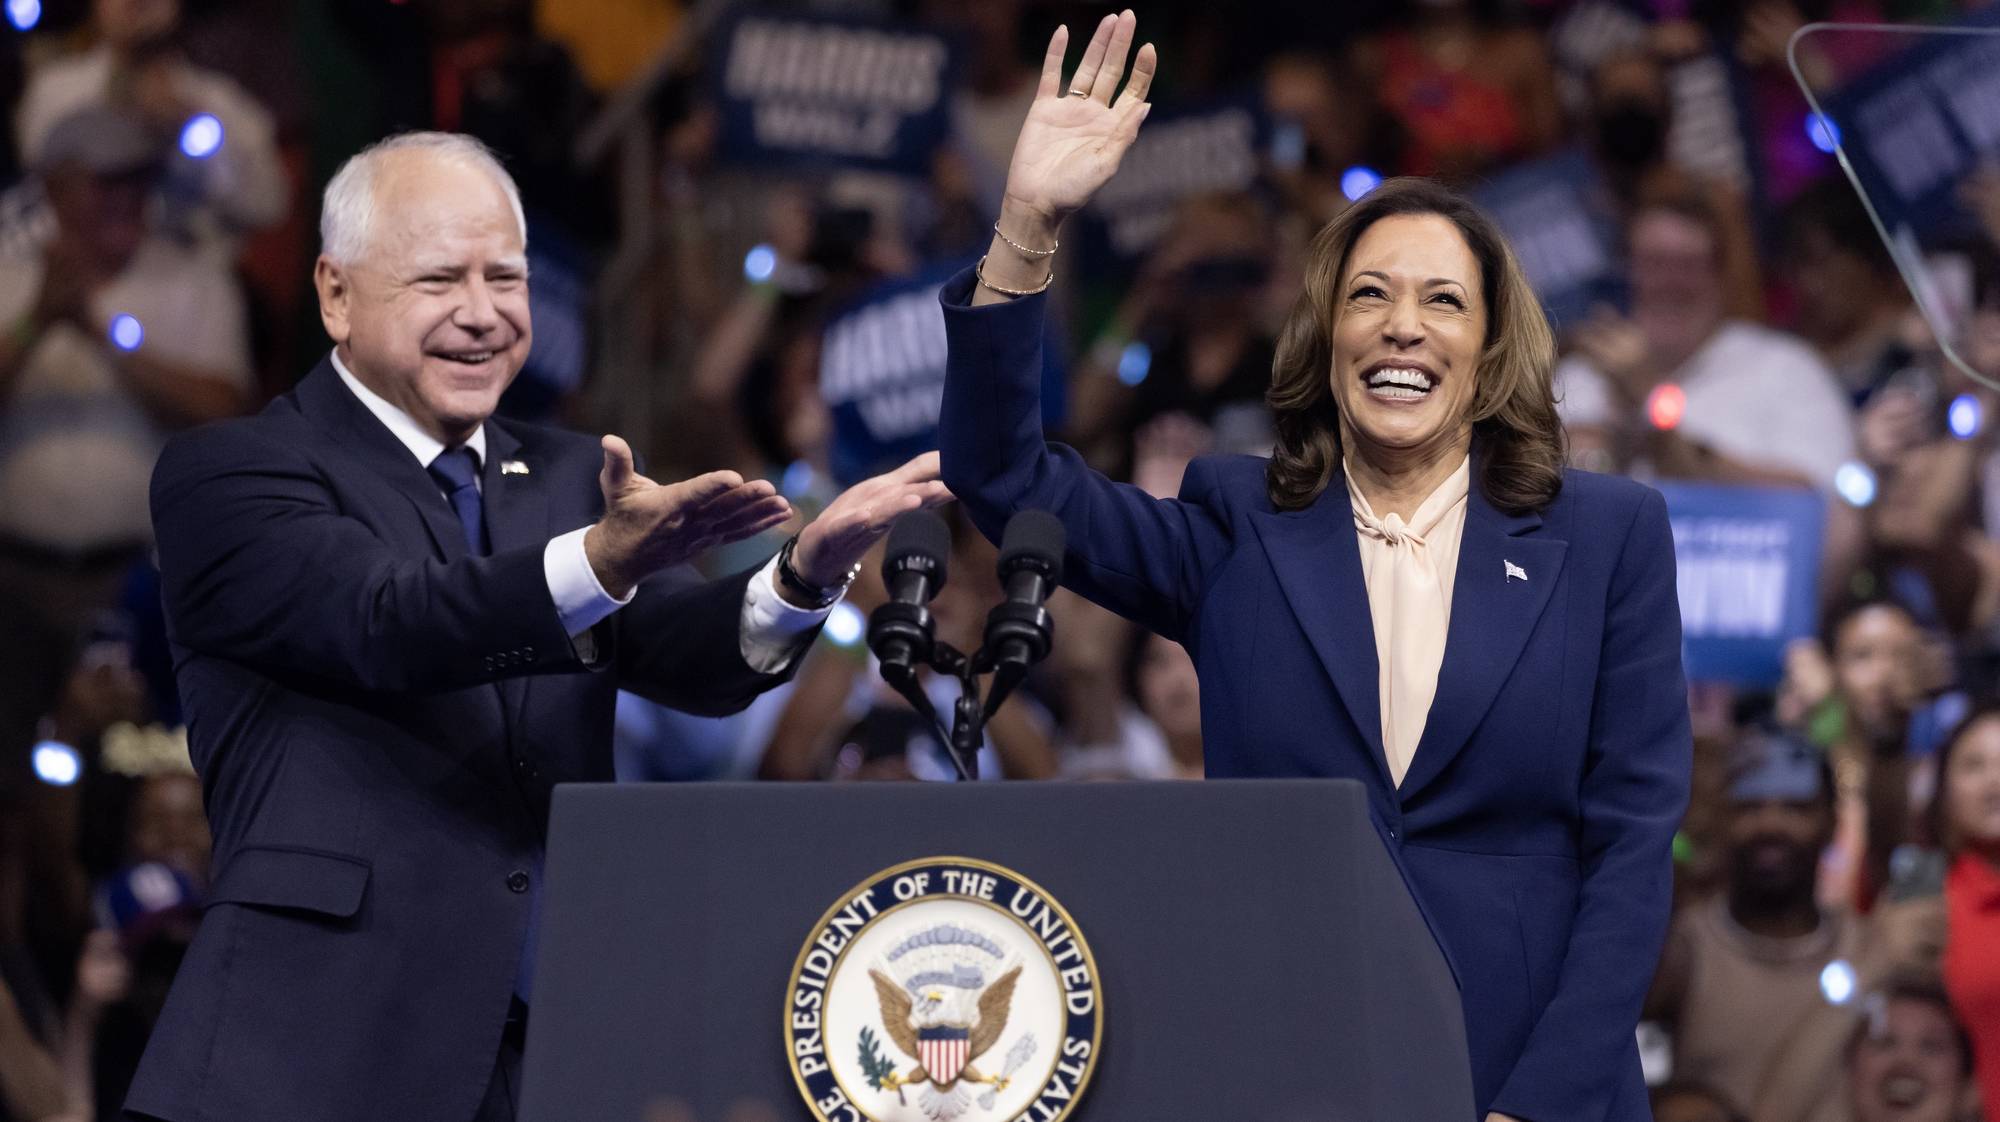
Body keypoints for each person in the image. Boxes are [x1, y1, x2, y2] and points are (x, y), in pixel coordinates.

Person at [938, 13, 1692, 1120]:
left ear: (1489, 352)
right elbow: (1005, 483)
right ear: (1324, 336)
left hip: (1529, 1080)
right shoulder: (1237, 527)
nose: (1401, 328)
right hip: (1288, 1068)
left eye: (1442, 301)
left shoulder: (1606, 535)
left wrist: (1538, 1104)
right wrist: (1024, 227)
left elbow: (1628, 855)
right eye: (1367, 296)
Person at [122, 132, 949, 1122]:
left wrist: (804, 574)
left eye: (503, 277)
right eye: (439, 278)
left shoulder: (561, 475)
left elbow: (690, 659)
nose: (482, 312)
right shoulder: (232, 473)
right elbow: (387, 623)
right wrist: (600, 562)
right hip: (314, 1050)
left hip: (546, 1054)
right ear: (335, 294)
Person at [1644, 732, 1862, 1117]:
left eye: (1796, 808)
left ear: (1830, 821)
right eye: (1749, 807)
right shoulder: (1686, 947)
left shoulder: (1870, 947)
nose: (1770, 824)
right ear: (1722, 817)